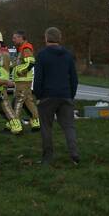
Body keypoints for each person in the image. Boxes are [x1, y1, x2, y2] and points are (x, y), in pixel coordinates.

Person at [32, 27, 80, 165]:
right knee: (69, 126)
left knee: (46, 127)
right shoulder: (68, 55)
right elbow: (74, 79)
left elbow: (38, 78)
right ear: (60, 38)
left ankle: (47, 157)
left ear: (46, 38)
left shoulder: (42, 55)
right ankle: (74, 153)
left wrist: (38, 95)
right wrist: (71, 95)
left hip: (47, 96)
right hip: (65, 95)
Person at [11, 31, 41, 132]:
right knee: (28, 102)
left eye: (15, 38)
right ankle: (37, 122)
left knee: (18, 101)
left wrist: (21, 72)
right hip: (24, 80)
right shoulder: (21, 49)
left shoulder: (25, 48)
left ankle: (16, 125)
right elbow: (20, 63)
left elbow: (31, 62)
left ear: (21, 38)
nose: (13, 40)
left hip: (22, 81)